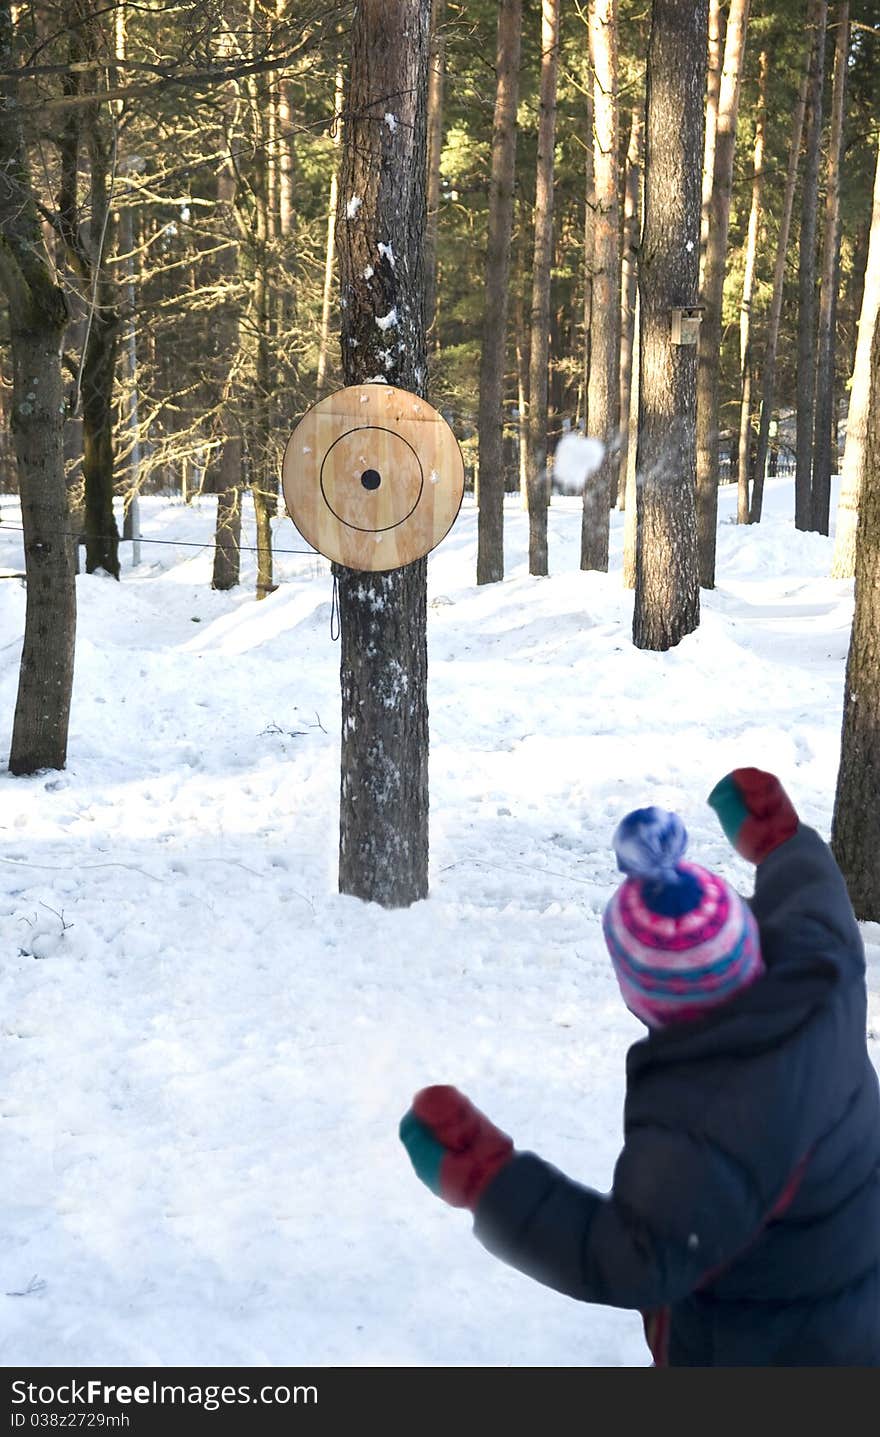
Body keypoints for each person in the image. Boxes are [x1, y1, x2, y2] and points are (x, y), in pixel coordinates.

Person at [399, 769, 880, 1366]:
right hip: (857, 1278)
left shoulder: (702, 1128)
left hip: (772, 1345)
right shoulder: (819, 962)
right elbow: (813, 888)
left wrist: (487, 1179)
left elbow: (629, 1260)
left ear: (645, 999)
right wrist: (779, 835)